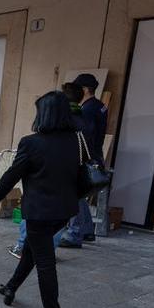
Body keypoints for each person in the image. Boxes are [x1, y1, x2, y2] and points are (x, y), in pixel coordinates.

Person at [0, 91, 83, 308]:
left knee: (45, 262)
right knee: (33, 250)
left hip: (40, 212)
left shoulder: (31, 143)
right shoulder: (73, 140)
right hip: (63, 211)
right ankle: (11, 287)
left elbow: (13, 173)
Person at [59, 73, 108, 248]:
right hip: (94, 155)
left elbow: (83, 136)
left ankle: (74, 234)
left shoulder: (86, 110)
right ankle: (86, 230)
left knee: (73, 196)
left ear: (86, 89)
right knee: (79, 195)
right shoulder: (100, 106)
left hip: (83, 157)